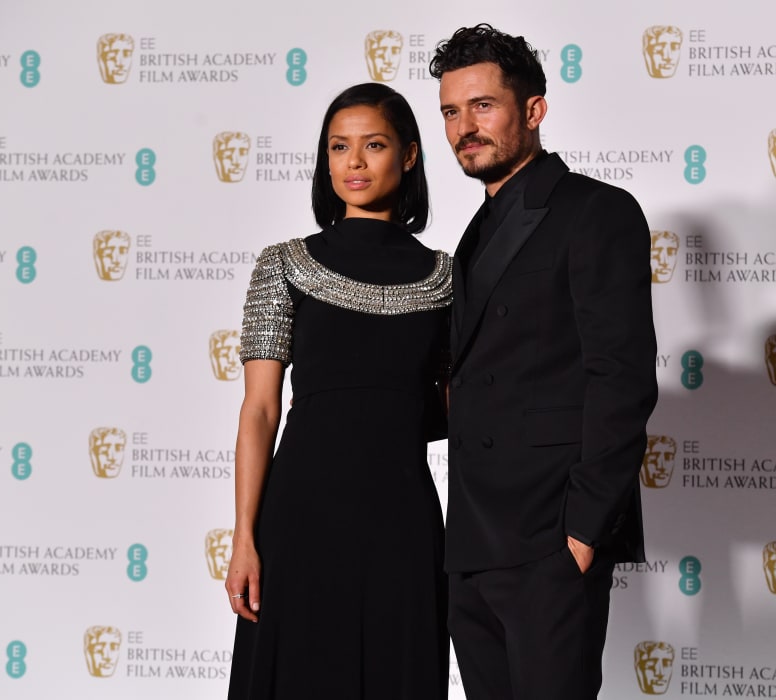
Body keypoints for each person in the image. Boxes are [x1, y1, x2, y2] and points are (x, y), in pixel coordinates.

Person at [430, 24, 658, 700]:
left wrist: (582, 536)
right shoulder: (475, 231)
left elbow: (621, 379)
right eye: (449, 111)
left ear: (533, 110)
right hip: (472, 542)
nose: (463, 127)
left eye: (482, 106)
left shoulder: (596, 211)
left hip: (547, 540)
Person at [225, 82, 452, 699]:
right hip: (301, 517)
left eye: (373, 145)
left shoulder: (446, 276)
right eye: (338, 148)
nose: (353, 163)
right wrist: (245, 536)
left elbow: (464, 406)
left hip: (403, 522)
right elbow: (260, 410)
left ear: (407, 156)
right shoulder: (284, 264)